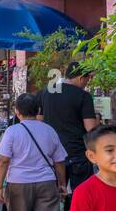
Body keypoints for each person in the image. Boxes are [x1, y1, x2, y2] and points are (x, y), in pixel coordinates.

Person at [41, 61, 100, 195]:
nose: (87, 83)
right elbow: (90, 128)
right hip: (77, 153)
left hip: (52, 152)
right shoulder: (83, 96)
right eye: (87, 79)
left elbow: (40, 120)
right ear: (81, 78)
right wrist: (98, 120)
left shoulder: (47, 92)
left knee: (55, 196)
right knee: (82, 194)